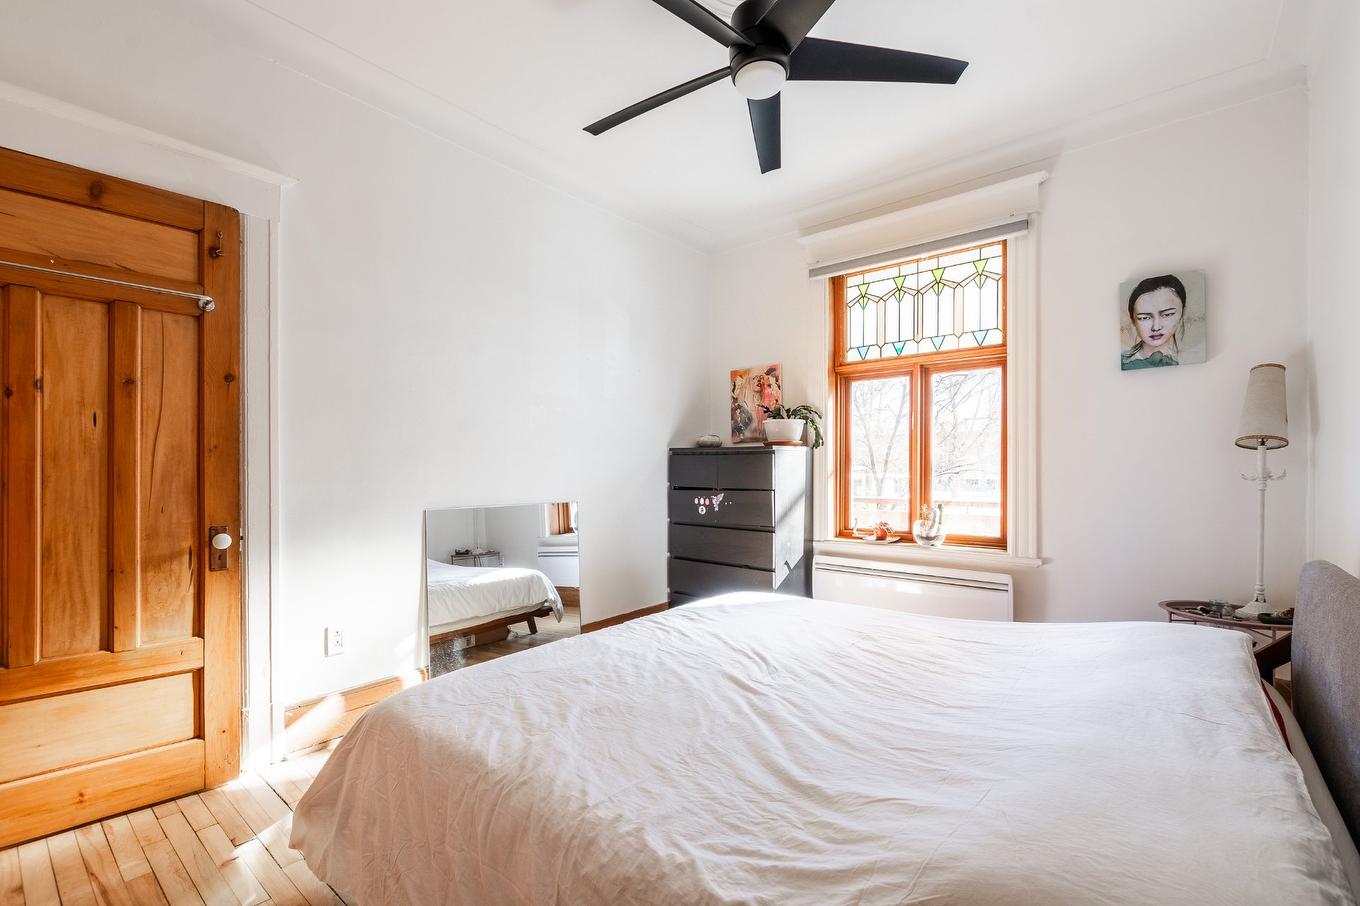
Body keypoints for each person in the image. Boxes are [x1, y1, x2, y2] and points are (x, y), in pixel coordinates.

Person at [1121, 274, 1186, 370]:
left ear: (1181, 313)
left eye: (1167, 314)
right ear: (1133, 320)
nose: (1156, 327)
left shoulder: (1189, 358)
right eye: (1144, 318)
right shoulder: (1125, 363)